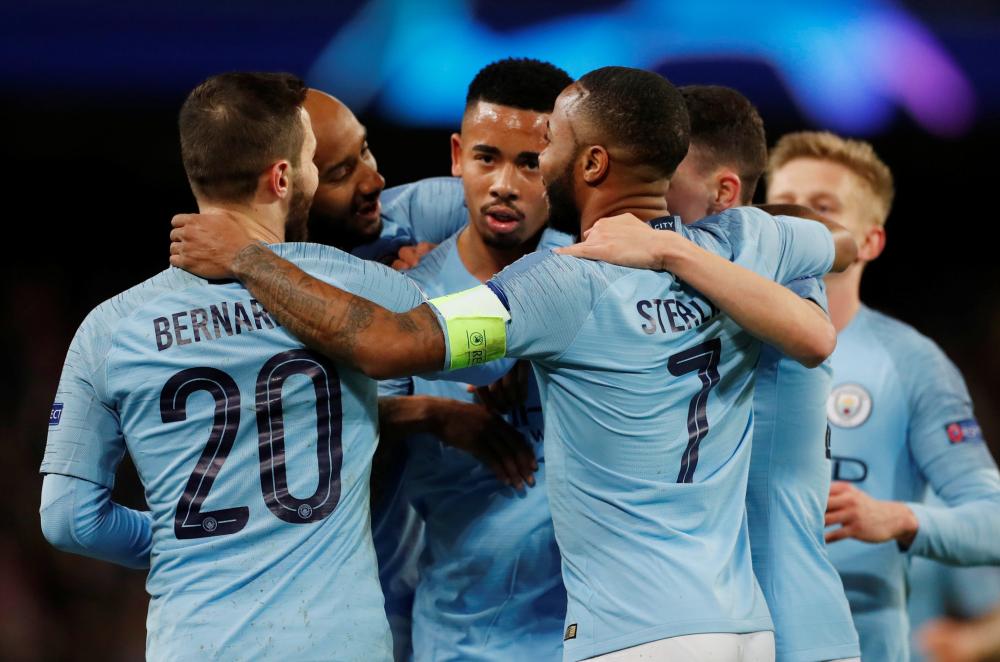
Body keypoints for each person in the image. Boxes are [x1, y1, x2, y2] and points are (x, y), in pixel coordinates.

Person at [169, 66, 856, 661]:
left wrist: (245, 256)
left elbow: (388, 343)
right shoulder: (738, 242)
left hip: (630, 631)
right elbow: (836, 243)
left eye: (546, 148)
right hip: (740, 626)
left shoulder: (560, 284)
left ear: (590, 166)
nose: (530, 167)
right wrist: (681, 250)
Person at [40, 71, 448, 661]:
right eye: (311, 159)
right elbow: (483, 352)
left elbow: (69, 521)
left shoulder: (111, 326)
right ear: (283, 178)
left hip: (195, 644)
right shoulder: (371, 292)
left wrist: (191, 545)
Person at [634, 84, 860, 661]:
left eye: (666, 178)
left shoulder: (785, 281)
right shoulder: (661, 282)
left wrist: (673, 252)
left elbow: (817, 327)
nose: (649, 198)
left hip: (794, 628)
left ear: (724, 192)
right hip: (709, 623)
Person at [765, 130, 1000, 662]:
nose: (798, 221)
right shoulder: (716, 345)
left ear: (869, 241)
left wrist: (897, 518)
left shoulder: (911, 363)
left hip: (863, 643)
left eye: (823, 207)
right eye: (782, 204)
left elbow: (993, 519)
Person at [378, 57, 572, 660]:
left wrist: (533, 340)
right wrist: (434, 414)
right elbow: (339, 423)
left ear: (564, 167)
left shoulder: (602, 275)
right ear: (458, 155)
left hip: (597, 637)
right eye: (488, 157)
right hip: (461, 639)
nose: (505, 184)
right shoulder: (402, 300)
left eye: (531, 163)